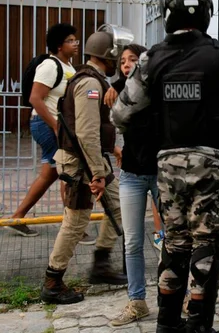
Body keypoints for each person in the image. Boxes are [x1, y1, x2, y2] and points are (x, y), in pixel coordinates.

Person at [111, 0, 219, 333]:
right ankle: (198, 324)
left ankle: (166, 323)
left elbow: (121, 115)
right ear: (206, 11)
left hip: (169, 164)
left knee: (175, 243)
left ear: (166, 13)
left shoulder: (151, 60)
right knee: (208, 244)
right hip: (214, 163)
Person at [40, 26, 132, 305]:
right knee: (76, 220)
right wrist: (97, 173)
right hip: (81, 164)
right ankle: (53, 281)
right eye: (118, 55)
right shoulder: (91, 84)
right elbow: (86, 133)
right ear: (109, 55)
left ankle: (101, 265)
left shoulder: (92, 78)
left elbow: (94, 130)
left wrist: (111, 150)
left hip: (92, 160)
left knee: (118, 206)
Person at [11, 23, 94, 244]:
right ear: (59, 45)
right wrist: (57, 126)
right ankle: (73, 228)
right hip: (46, 125)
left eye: (76, 40)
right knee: (67, 169)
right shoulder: (50, 66)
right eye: (70, 40)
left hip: (55, 126)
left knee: (50, 173)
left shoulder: (67, 66)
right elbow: (35, 99)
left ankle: (17, 217)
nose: (76, 43)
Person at [103, 44, 164, 326]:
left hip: (163, 173)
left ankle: (183, 294)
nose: (126, 64)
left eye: (132, 60)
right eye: (122, 61)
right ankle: (137, 301)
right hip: (131, 174)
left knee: (174, 240)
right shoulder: (115, 90)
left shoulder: (158, 88)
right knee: (132, 243)